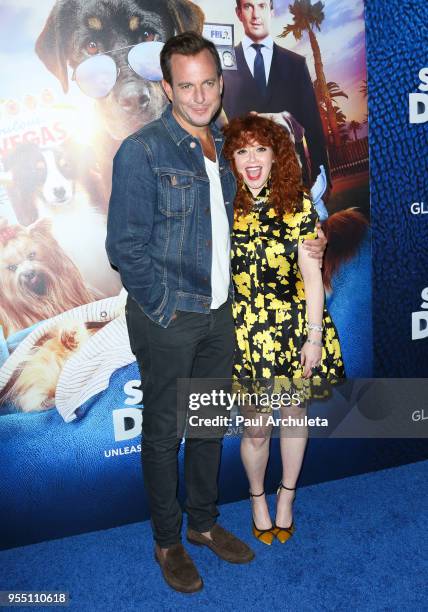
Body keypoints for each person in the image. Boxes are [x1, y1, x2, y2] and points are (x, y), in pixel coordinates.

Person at [106, 32, 255, 594]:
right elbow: (125, 248)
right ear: (166, 87)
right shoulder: (142, 150)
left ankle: (203, 524)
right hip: (168, 314)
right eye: (185, 86)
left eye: (208, 83)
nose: (198, 96)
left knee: (210, 425)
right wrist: (168, 310)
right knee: (166, 435)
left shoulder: (226, 143)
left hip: (220, 313)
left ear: (220, 82)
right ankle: (168, 540)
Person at [222, 114, 345, 545]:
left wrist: (314, 339)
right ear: (231, 159)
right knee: (256, 427)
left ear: (276, 155)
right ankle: (257, 497)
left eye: (260, 149)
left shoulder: (298, 206)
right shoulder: (221, 208)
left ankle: (286, 496)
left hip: (293, 330)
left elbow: (313, 279)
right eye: (241, 151)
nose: (251, 160)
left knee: (293, 417)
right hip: (243, 335)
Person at [222, 0, 329, 190]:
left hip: (293, 180)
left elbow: (313, 126)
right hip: (245, 186)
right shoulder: (223, 68)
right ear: (238, 13)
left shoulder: (295, 64)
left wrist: (323, 178)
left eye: (262, 5)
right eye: (248, 6)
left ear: (271, 11)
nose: (256, 15)